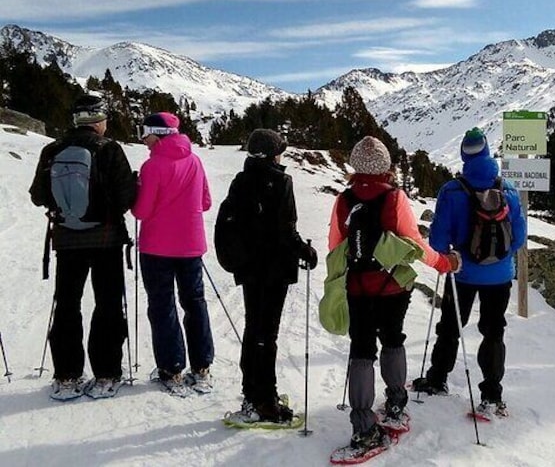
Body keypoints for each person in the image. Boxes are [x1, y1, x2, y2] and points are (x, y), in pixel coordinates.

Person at [325, 136, 460, 456]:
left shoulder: (345, 199)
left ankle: (362, 424)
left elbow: (335, 245)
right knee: (393, 338)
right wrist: (443, 263)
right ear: (386, 165)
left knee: (361, 349)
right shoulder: (394, 197)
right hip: (392, 286)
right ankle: (396, 402)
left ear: (356, 165)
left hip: (357, 286)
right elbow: (413, 243)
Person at [412, 127, 527, 418]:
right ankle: (491, 394)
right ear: (487, 152)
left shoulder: (452, 190)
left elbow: (438, 240)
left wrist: (453, 254)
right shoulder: (508, 188)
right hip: (500, 275)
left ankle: (437, 378)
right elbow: (519, 238)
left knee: (450, 325)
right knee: (494, 331)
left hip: (461, 274)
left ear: (464, 154)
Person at [29, 94, 137, 400]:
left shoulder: (53, 149)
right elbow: (126, 197)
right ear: (98, 120)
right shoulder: (110, 149)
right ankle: (106, 374)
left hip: (66, 240)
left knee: (66, 305)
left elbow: (38, 195)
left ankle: (66, 375)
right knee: (108, 305)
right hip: (106, 240)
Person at [221, 129, 318, 425]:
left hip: (249, 269)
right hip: (273, 270)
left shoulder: (241, 180)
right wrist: (306, 252)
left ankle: (251, 394)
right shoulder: (280, 181)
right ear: (273, 153)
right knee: (267, 335)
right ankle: (265, 401)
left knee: (254, 330)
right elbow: (285, 230)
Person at [132, 111, 214, 396]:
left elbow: (141, 211)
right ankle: (202, 365)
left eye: (145, 134)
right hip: (190, 245)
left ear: (157, 134)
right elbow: (205, 202)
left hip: (157, 247)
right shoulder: (195, 160)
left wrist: (136, 193)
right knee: (195, 302)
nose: (144, 140)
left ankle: (172, 367)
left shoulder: (152, 166)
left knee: (162, 305)